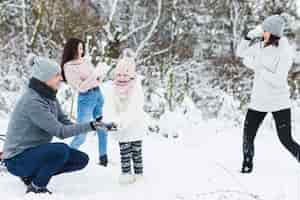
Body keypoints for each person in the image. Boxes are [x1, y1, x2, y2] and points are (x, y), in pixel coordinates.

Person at [2, 54, 113, 194]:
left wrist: (96, 125)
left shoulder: (50, 97)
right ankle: (36, 186)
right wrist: (91, 125)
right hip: (17, 159)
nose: (61, 78)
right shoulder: (33, 102)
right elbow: (60, 132)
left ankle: (30, 176)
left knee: (80, 159)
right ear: (44, 78)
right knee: (60, 150)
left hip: (34, 152)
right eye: (57, 75)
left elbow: (65, 122)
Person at [236, 15, 300, 173]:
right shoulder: (259, 45)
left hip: (279, 101)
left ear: (273, 33)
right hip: (258, 100)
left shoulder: (285, 52)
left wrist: (258, 67)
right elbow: (240, 53)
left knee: (285, 139)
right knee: (248, 135)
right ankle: (247, 165)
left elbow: (278, 80)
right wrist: (249, 36)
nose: (262, 32)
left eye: (265, 30)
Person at [61, 38, 109, 166]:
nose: (81, 51)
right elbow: (80, 87)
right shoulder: (68, 66)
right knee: (82, 133)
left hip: (97, 94)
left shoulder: (86, 61)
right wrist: (94, 77)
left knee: (102, 128)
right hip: (86, 99)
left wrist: (100, 74)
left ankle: (103, 158)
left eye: (82, 48)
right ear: (72, 49)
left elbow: (96, 79)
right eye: (79, 48)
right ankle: (64, 159)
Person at [104, 49, 147, 184]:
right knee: (124, 151)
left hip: (134, 125)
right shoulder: (113, 88)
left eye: (125, 74)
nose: (122, 77)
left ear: (131, 75)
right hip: (120, 127)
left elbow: (135, 108)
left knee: (136, 150)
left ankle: (139, 174)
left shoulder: (136, 88)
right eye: (119, 74)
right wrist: (112, 121)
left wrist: (123, 122)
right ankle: (126, 173)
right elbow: (109, 106)